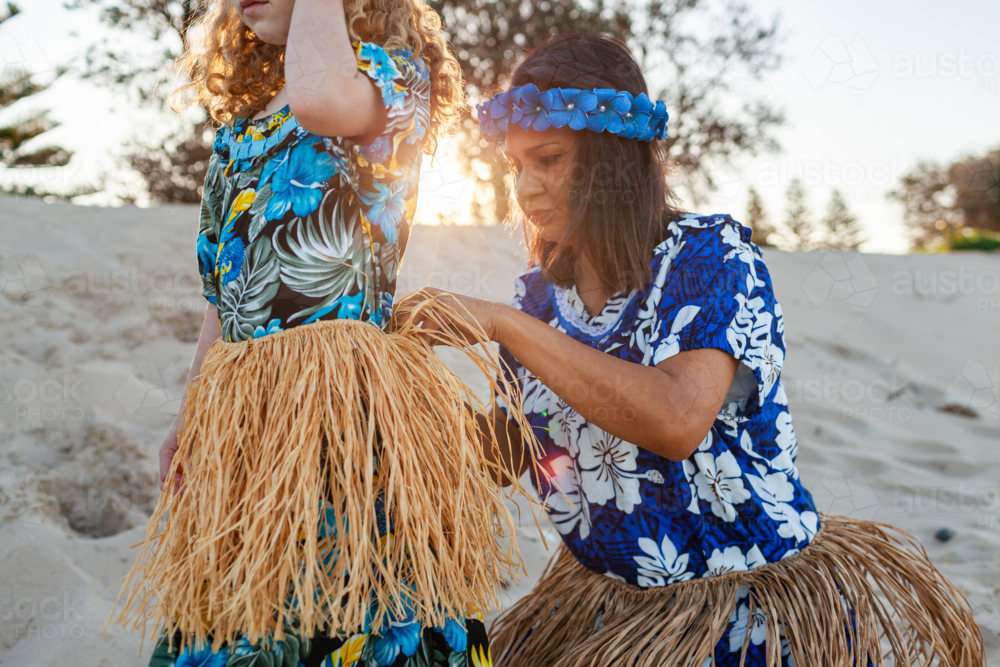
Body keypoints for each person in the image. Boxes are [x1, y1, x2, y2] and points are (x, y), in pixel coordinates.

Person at [395, 33, 985, 666]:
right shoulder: (539, 301)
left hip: (737, 615)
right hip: (609, 609)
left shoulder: (710, 259)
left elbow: (675, 420)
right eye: (516, 165)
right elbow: (509, 447)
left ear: (612, 162)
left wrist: (504, 327)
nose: (525, 188)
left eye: (549, 158)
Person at [106, 1, 538, 666]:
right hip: (247, 420)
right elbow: (223, 296)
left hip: (344, 414)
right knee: (243, 610)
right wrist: (191, 413)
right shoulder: (239, 134)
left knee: (351, 604)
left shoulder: (390, 82)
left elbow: (317, 95)